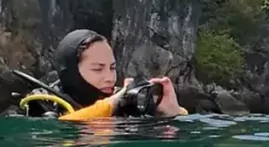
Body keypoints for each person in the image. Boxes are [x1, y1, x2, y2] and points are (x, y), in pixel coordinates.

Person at [25, 29, 187, 121]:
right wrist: (112, 104)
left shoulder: (120, 100)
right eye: (97, 69)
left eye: (112, 68)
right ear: (71, 72)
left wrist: (172, 114)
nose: (110, 77)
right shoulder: (43, 103)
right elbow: (62, 129)